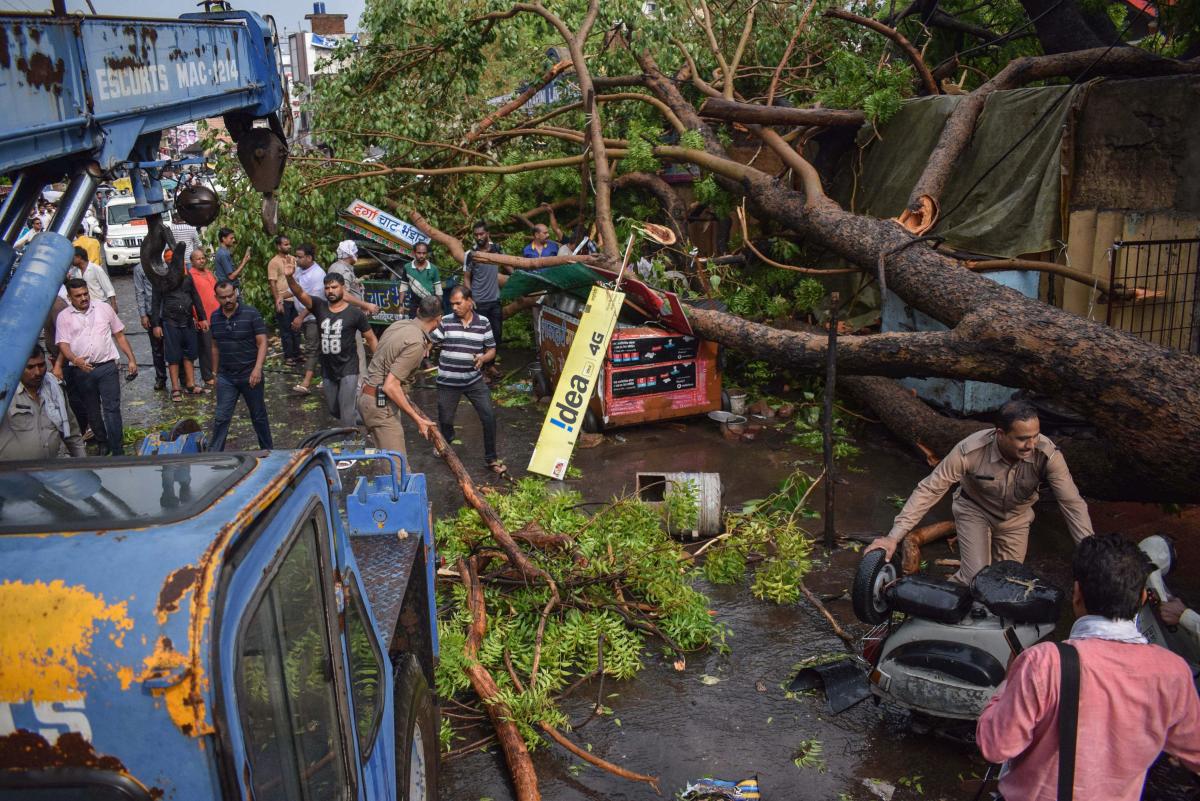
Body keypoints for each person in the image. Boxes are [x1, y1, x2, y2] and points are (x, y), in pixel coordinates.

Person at [976, 534, 1200, 801]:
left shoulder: (1044, 663)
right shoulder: (1173, 672)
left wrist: (1007, 682)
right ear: (1142, 597)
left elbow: (996, 746)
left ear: (1077, 593)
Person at [866, 400, 1093, 585]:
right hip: (975, 510)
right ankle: (939, 616)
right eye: (1023, 438)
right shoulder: (970, 451)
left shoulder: (1048, 455)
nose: (1031, 445)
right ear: (1000, 434)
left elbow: (1072, 503)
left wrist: (1090, 553)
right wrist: (893, 537)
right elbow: (930, 488)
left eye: (1035, 436)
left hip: (1016, 518)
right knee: (974, 576)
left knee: (1008, 582)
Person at [284, 266, 378, 427]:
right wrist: (289, 278)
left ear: (343, 288)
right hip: (328, 369)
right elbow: (300, 294)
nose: (330, 291)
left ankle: (350, 445)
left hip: (348, 368)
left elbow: (371, 338)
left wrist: (381, 365)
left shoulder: (355, 314)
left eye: (334, 287)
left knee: (347, 411)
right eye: (327, 288)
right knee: (335, 410)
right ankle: (371, 422)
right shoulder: (319, 306)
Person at [55, 277, 138, 456]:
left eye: (86, 294)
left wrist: (131, 358)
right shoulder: (64, 317)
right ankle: (102, 442)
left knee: (112, 409)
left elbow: (120, 335)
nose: (84, 298)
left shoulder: (103, 308)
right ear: (70, 298)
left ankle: (117, 448)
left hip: (107, 366)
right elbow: (63, 344)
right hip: (82, 369)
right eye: (78, 296)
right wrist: (74, 360)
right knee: (92, 409)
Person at [430, 286, 503, 473]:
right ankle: (447, 437)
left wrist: (483, 359)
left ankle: (491, 458)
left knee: (489, 416)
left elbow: (491, 349)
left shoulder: (483, 322)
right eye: (452, 304)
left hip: (473, 381)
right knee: (445, 420)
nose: (454, 307)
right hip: (448, 381)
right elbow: (432, 341)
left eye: (458, 303)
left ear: (470, 301)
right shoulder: (446, 321)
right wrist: (426, 345)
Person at [358, 295, 440, 458]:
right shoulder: (416, 342)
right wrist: (418, 419)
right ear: (439, 319)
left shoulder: (399, 325)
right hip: (380, 404)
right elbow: (390, 386)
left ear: (418, 311)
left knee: (384, 460)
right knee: (397, 468)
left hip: (366, 396)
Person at [208, 280, 272, 451]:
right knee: (221, 417)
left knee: (258, 416)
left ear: (236, 293)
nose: (228, 300)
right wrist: (214, 374)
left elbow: (262, 342)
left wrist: (258, 369)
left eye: (230, 295)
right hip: (226, 376)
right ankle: (214, 455)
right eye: (223, 297)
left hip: (250, 374)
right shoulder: (214, 317)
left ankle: (268, 451)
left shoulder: (251, 313)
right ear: (217, 298)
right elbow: (214, 347)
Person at [0, 345, 85, 461]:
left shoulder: (55, 390)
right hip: (13, 474)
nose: (37, 372)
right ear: (18, 367)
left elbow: (73, 434)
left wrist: (83, 465)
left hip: (51, 470)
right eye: (30, 367)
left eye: (41, 365)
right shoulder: (5, 395)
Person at [150, 261, 208, 401]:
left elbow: (195, 297)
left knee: (190, 354)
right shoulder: (161, 280)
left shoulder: (187, 279)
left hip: (187, 321)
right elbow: (156, 303)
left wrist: (202, 317)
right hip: (170, 323)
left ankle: (190, 384)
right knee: (173, 356)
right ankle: (176, 388)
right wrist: (156, 324)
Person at [290, 243, 326, 394]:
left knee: (312, 348)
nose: (296, 259)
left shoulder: (318, 274)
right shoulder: (299, 270)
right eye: (296, 256)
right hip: (304, 316)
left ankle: (306, 384)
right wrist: (281, 296)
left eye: (300, 257)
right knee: (320, 348)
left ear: (309, 258)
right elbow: (296, 289)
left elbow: (314, 302)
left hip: (313, 316)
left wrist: (300, 316)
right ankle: (328, 377)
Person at [464, 220, 503, 346]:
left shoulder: (497, 249)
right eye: (476, 235)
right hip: (479, 301)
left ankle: (490, 364)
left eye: (481, 234)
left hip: (495, 299)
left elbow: (509, 265)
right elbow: (466, 278)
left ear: (487, 233)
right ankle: (481, 364)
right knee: (479, 335)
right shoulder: (470, 254)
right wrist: (469, 298)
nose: (478, 237)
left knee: (497, 333)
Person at [132, 261, 168, 391]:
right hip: (152, 312)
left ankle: (181, 377)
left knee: (174, 346)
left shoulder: (164, 265)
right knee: (157, 349)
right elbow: (139, 291)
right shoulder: (140, 268)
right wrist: (143, 315)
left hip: (169, 310)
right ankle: (161, 378)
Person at [266, 235, 301, 364]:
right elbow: (272, 283)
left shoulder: (293, 259)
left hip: (295, 298)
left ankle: (297, 354)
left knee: (296, 328)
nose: (289, 246)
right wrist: (278, 301)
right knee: (286, 329)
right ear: (278, 246)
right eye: (285, 244)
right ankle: (288, 356)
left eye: (289, 244)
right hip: (283, 299)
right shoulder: (274, 262)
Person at [188, 249, 219, 387]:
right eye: (198, 259)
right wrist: (198, 317)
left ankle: (216, 371)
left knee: (216, 345)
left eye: (203, 258)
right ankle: (207, 375)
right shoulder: (190, 276)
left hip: (217, 314)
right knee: (205, 347)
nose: (201, 260)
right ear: (192, 261)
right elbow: (192, 299)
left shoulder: (209, 272)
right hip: (204, 316)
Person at [68, 246, 118, 313]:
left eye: (72, 258)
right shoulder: (74, 272)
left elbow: (109, 288)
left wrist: (113, 305)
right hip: (84, 306)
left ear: (79, 257)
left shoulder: (96, 269)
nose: (70, 260)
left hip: (99, 304)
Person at [404, 241, 442, 319]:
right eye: (419, 253)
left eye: (424, 253)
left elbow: (438, 289)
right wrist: (401, 304)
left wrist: (439, 306)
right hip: (414, 304)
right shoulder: (407, 267)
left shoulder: (433, 268)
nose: (421, 255)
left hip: (430, 304)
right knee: (414, 326)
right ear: (414, 253)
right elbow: (403, 286)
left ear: (427, 253)